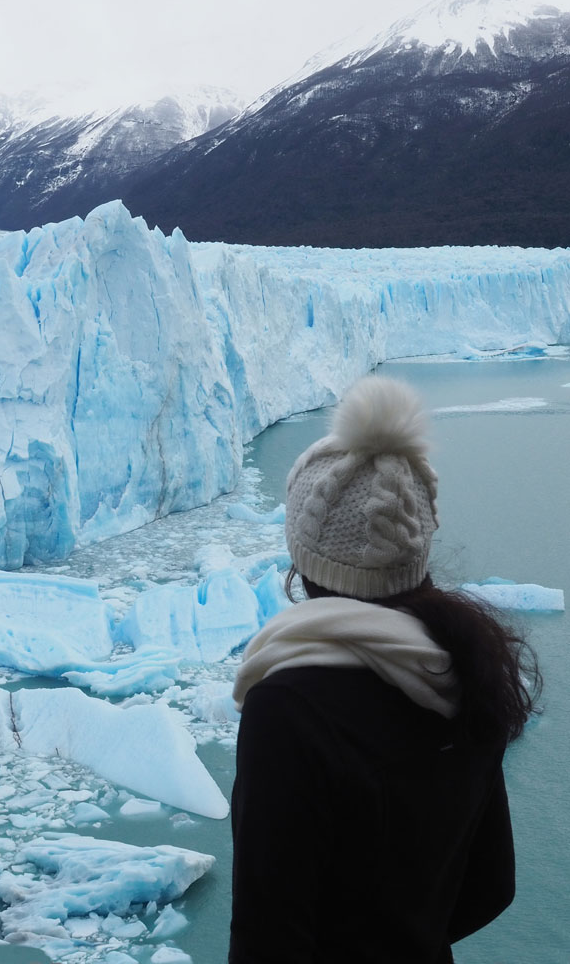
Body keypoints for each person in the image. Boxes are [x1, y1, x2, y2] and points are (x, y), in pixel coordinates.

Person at [228, 374, 541, 964]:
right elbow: (492, 888)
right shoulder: (466, 671)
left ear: (305, 563)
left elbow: (267, 939)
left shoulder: (289, 707)